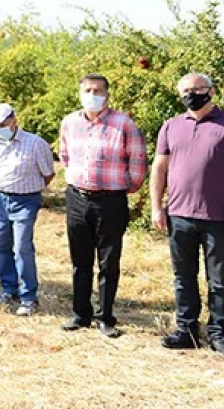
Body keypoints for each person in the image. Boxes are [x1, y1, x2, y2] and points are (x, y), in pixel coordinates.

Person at [150, 73, 224, 360]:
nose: (191, 95)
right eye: (185, 90)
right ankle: (186, 331)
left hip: (220, 218)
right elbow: (159, 170)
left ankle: (219, 334)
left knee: (219, 279)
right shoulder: (171, 126)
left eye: (197, 89)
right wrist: (156, 207)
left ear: (211, 90)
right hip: (179, 215)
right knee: (183, 277)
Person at [59, 73, 147, 338]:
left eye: (97, 91)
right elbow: (65, 156)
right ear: (79, 93)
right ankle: (80, 313)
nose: (92, 95)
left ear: (107, 95)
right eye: (87, 90)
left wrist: (121, 187)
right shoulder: (70, 122)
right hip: (77, 198)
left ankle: (105, 317)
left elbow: (138, 163)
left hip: (110, 200)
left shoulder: (123, 124)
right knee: (80, 259)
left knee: (109, 261)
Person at [0, 103, 55, 316]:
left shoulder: (35, 144)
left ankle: (28, 297)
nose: (0, 128)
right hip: (0, 199)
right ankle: (9, 289)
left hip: (26, 200)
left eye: (3, 123)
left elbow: (48, 173)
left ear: (14, 120)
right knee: (0, 245)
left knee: (23, 246)